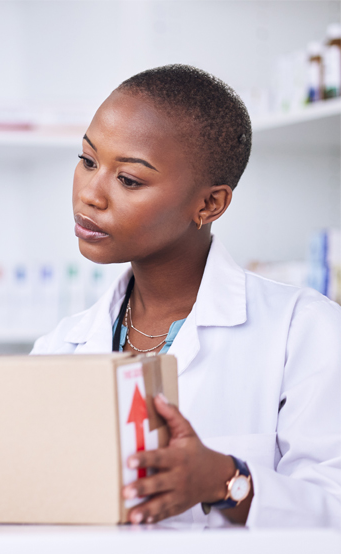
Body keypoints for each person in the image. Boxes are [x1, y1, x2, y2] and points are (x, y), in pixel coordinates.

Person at [32, 65, 341, 528]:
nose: (90, 195)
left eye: (129, 180)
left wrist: (225, 481)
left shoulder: (304, 331)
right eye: (89, 161)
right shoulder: (60, 347)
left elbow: (333, 509)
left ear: (209, 204)